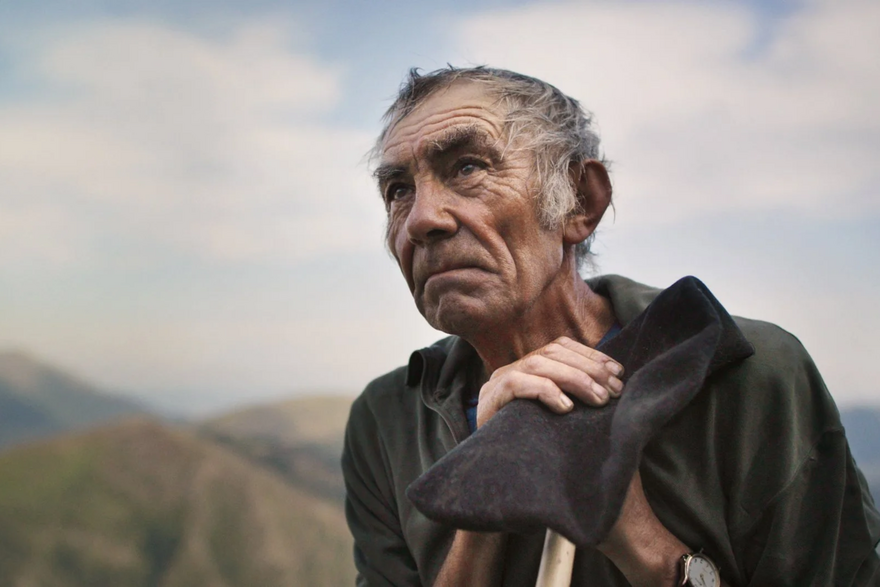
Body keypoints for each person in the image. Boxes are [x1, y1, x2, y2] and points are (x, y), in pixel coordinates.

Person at [341, 66, 880, 587]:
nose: (421, 219)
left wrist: (635, 535)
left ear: (580, 202)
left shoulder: (753, 375)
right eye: (398, 190)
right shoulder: (386, 419)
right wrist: (481, 486)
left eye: (467, 168)